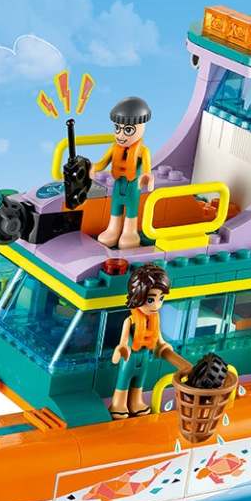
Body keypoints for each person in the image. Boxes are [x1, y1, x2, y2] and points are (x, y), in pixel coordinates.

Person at [109, 263, 176, 420]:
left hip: (145, 355)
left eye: (161, 299)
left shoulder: (155, 318)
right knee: (124, 379)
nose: (157, 305)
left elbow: (158, 336)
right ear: (137, 296)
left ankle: (136, 402)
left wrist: (162, 344)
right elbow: (124, 340)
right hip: (130, 356)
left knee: (140, 379)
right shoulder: (130, 320)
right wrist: (121, 348)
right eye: (151, 299)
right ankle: (118, 403)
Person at [91, 96, 154, 250]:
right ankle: (113, 229)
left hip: (133, 186)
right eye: (117, 128)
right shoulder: (114, 148)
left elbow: (147, 170)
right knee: (116, 206)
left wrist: (147, 177)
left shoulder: (143, 151)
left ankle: (130, 232)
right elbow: (102, 163)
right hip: (118, 184)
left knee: (131, 209)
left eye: (127, 130)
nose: (120, 135)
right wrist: (92, 167)